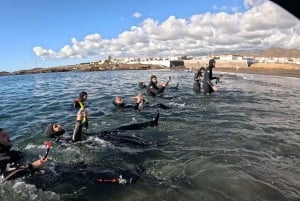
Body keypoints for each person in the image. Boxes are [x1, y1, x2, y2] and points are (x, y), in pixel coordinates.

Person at [44, 109, 162, 147]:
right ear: (53, 133)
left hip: (99, 135)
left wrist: (85, 118)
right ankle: (153, 145)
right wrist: (78, 120)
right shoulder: (61, 140)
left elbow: (83, 130)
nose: (59, 125)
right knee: (126, 140)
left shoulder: (65, 133)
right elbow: (76, 140)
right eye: (55, 126)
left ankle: (151, 123)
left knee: (125, 128)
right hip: (97, 141)